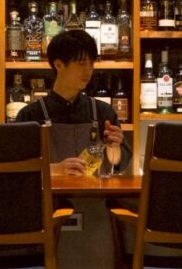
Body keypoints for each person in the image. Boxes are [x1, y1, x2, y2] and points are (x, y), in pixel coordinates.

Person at [15, 30, 130, 176]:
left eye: (91, 63)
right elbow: (17, 168)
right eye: (81, 63)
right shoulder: (30, 115)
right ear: (58, 65)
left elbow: (119, 166)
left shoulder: (103, 111)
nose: (88, 70)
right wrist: (54, 170)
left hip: (95, 191)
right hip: (50, 192)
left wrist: (114, 148)